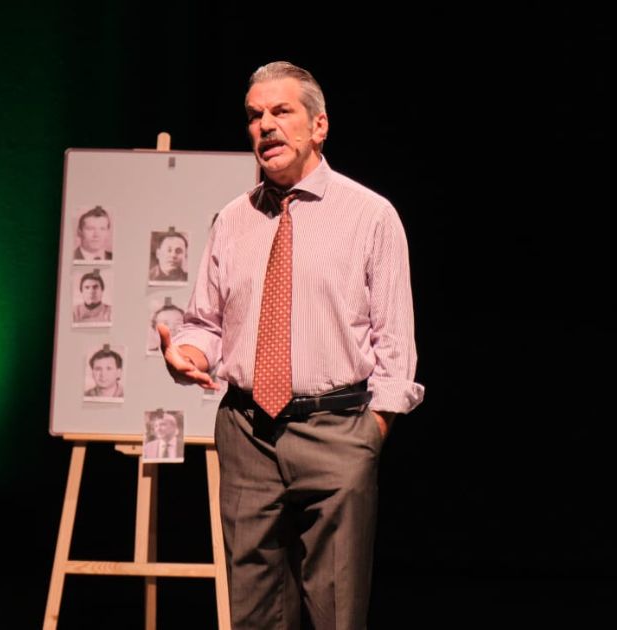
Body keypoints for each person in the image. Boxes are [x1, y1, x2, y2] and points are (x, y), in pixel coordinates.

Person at [159, 61, 423, 629]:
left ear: (319, 125)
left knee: (335, 611)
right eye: (254, 115)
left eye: (281, 111)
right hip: (247, 432)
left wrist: (370, 434)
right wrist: (189, 355)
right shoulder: (233, 219)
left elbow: (395, 342)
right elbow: (206, 322)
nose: (265, 126)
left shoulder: (370, 215)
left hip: (337, 429)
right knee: (253, 614)